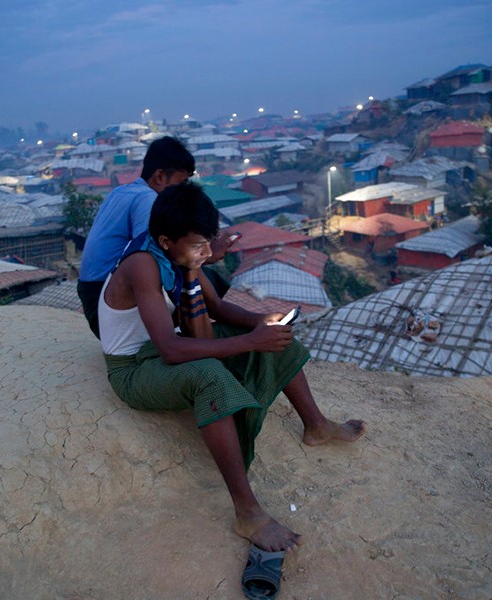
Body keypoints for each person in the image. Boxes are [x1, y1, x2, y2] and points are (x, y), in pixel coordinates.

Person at [99, 182, 364, 552]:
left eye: (209, 243)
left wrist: (260, 323)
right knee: (211, 376)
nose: (207, 254)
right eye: (199, 247)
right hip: (133, 367)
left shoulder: (181, 253)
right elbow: (172, 350)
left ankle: (316, 426)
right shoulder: (143, 265)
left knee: (279, 340)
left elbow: (219, 309)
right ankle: (247, 513)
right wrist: (249, 342)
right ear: (164, 241)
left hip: (164, 346)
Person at [77, 136, 234, 339]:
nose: (182, 190)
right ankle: (191, 336)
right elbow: (157, 254)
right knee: (197, 278)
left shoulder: (122, 191)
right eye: (181, 182)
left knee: (206, 277)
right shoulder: (148, 200)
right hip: (105, 300)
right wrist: (210, 255)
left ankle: (196, 330)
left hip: (93, 294)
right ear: (160, 177)